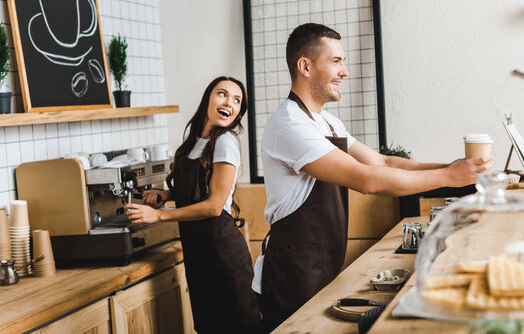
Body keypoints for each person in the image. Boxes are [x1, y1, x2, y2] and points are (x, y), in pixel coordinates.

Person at [252, 23, 493, 331]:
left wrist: (454, 168)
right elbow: (369, 180)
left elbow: (381, 162)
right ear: (305, 66)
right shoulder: (290, 126)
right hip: (290, 276)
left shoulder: (327, 122)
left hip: (320, 266)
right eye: (336, 61)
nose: (345, 71)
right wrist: (448, 176)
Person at [125, 76, 260, 334]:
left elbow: (213, 206)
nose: (229, 103)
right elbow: (198, 188)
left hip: (222, 252)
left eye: (236, 101)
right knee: (209, 326)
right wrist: (167, 195)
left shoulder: (225, 142)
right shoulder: (195, 141)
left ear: (238, 113)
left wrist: (159, 216)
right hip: (199, 252)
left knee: (237, 327)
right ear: (208, 97)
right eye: (222, 94)